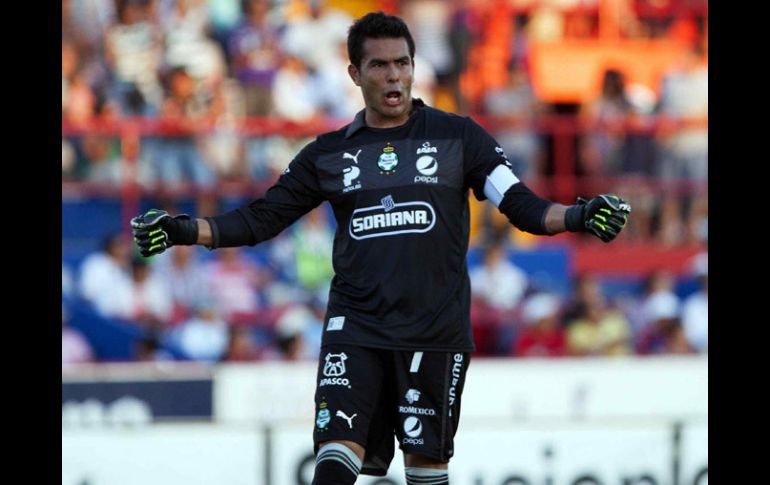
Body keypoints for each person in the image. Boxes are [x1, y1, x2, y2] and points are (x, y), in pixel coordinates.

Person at [130, 12, 631, 485]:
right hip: (358, 326)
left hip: (434, 330)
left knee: (426, 469)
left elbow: (520, 205)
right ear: (354, 73)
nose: (394, 76)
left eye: (402, 64)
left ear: (414, 67)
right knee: (332, 455)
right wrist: (181, 229)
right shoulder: (327, 154)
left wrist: (579, 214)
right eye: (379, 65)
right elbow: (260, 220)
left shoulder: (459, 138)